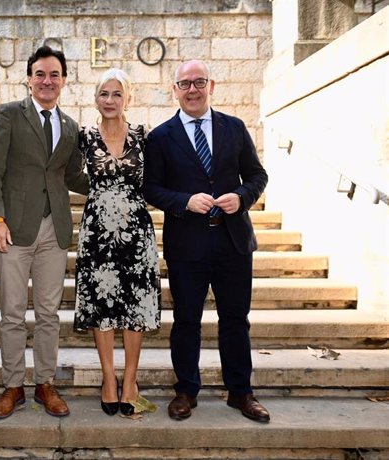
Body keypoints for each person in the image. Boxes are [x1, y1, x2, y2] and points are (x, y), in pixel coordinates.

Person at [142, 59, 270, 423]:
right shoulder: (161, 137)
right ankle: (186, 390)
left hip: (233, 241)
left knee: (235, 319)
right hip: (187, 245)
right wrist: (183, 201)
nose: (193, 89)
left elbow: (258, 175)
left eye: (199, 82)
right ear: (175, 90)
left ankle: (241, 393)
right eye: (185, 84)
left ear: (211, 86)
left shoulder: (234, 127)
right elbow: (151, 187)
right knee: (186, 320)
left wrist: (242, 197)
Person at [0, 45, 89, 419]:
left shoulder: (70, 126)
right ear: (29, 79)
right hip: (12, 230)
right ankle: (13, 386)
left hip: (54, 229)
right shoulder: (9, 115)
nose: (47, 81)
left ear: (64, 81)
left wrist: (113, 181)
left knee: (48, 314)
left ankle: (44, 383)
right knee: (12, 313)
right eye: (40, 74)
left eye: (54, 74)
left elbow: (72, 176)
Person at [73, 68, 161, 417]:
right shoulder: (83, 137)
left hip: (136, 232)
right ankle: (109, 379)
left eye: (117, 94)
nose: (110, 100)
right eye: (104, 94)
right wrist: (99, 193)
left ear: (128, 98)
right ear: (95, 99)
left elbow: (156, 179)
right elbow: (65, 173)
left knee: (135, 306)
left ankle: (130, 381)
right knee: (102, 305)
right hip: (97, 233)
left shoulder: (143, 136)